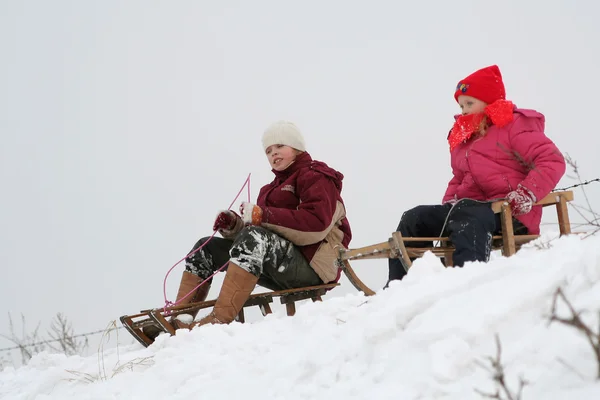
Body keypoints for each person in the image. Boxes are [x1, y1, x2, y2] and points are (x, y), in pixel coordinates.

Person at [148, 120, 351, 336]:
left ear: (297, 146)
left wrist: (262, 215)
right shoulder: (269, 190)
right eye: (268, 151)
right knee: (205, 248)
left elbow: (315, 225)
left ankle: (220, 319)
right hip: (280, 265)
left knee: (255, 236)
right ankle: (180, 318)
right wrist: (235, 225)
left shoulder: (316, 176)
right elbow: (266, 235)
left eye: (280, 146)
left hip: (314, 268)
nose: (274, 153)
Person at [387, 65, 566, 285]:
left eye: (469, 103)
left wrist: (526, 194)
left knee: (466, 213)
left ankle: (467, 283)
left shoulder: (513, 126)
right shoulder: (465, 137)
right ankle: (400, 287)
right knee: (414, 218)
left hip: (510, 211)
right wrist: (449, 203)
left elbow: (551, 161)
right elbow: (459, 178)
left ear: (490, 102)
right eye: (461, 105)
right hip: (469, 210)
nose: (463, 110)